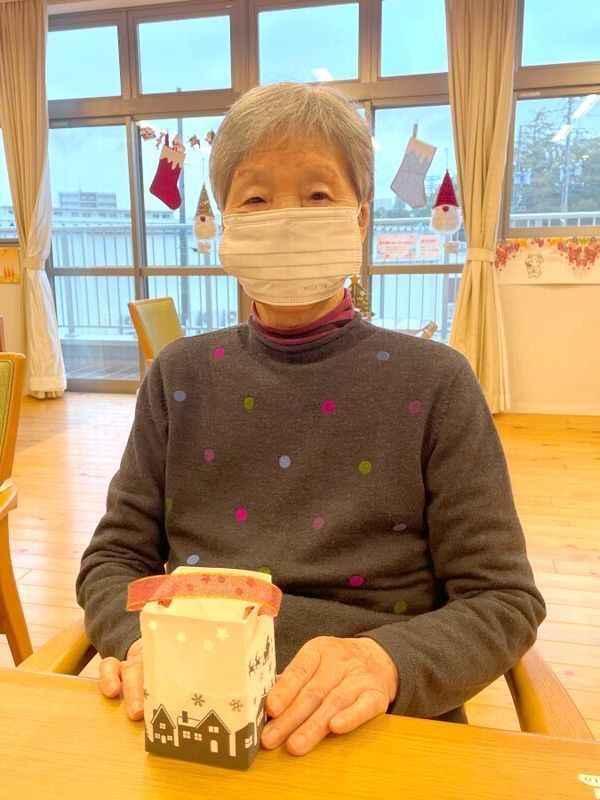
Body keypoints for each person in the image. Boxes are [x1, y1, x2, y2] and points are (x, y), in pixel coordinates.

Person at [76, 81, 545, 757]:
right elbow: (113, 559)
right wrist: (137, 640)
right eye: (256, 199)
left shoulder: (437, 383)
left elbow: (503, 599)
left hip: (373, 721)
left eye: (318, 194)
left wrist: (387, 663)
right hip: (192, 707)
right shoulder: (179, 375)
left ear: (361, 217)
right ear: (225, 222)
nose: (287, 219)